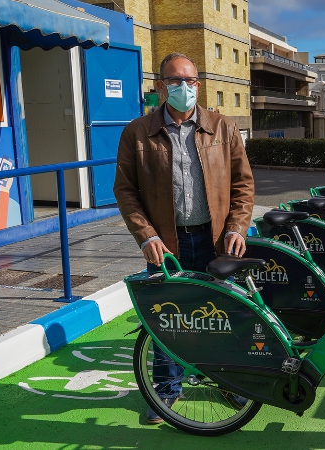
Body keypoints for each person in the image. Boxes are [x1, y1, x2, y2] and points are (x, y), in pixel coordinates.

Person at [113, 53, 255, 424]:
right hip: (166, 244)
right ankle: (166, 392)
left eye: (191, 81)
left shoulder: (223, 128)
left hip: (216, 241)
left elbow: (243, 184)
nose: (185, 88)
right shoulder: (136, 132)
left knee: (224, 317)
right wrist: (145, 236)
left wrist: (237, 227)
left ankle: (230, 382)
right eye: (176, 81)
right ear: (160, 86)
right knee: (167, 319)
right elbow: (126, 190)